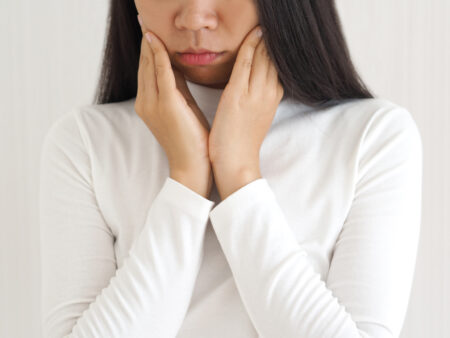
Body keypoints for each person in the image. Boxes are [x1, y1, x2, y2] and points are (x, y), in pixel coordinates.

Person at [39, 0, 423, 337]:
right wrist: (187, 181)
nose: (194, 18)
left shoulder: (372, 138)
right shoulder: (85, 142)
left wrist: (239, 175)